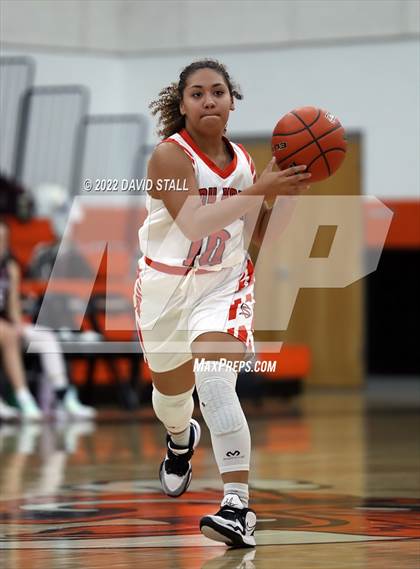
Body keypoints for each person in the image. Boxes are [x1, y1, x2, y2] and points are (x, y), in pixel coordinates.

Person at [134, 59, 311, 548]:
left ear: (233, 100)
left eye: (217, 91)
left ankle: (237, 507)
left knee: (214, 378)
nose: (208, 100)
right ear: (183, 103)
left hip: (224, 285)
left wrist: (291, 194)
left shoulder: (248, 164)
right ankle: (179, 438)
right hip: (165, 290)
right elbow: (193, 223)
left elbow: (264, 239)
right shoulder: (169, 158)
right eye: (197, 93)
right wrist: (261, 189)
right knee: (172, 400)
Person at [0, 219, 96, 421]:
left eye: (4, 240)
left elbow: (13, 307)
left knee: (44, 336)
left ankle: (63, 394)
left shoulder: (10, 268)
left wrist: (18, 325)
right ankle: (23, 397)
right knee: (8, 336)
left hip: (6, 323)